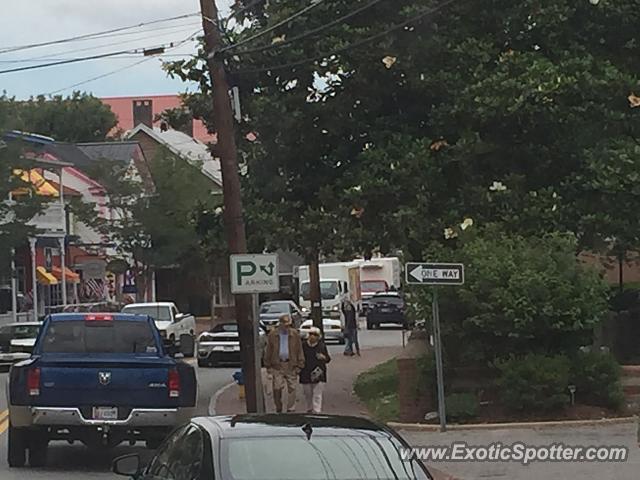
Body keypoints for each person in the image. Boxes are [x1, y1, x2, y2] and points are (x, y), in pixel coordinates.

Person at [264, 314, 305, 413]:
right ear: (280, 324)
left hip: (291, 364)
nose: (287, 327)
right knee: (277, 387)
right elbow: (268, 350)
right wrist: (267, 365)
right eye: (285, 325)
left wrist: (300, 365)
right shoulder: (273, 335)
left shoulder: (295, 334)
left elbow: (299, 350)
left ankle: (290, 408)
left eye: (289, 325)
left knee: (293, 388)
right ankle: (278, 406)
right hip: (277, 365)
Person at [299, 327, 331, 413]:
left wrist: (323, 357)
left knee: (317, 393)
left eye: (315, 335)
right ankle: (309, 408)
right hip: (306, 372)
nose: (312, 336)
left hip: (319, 372)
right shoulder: (303, 346)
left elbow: (328, 359)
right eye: (311, 334)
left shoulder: (321, 346)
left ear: (318, 337)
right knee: (307, 393)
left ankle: (317, 410)